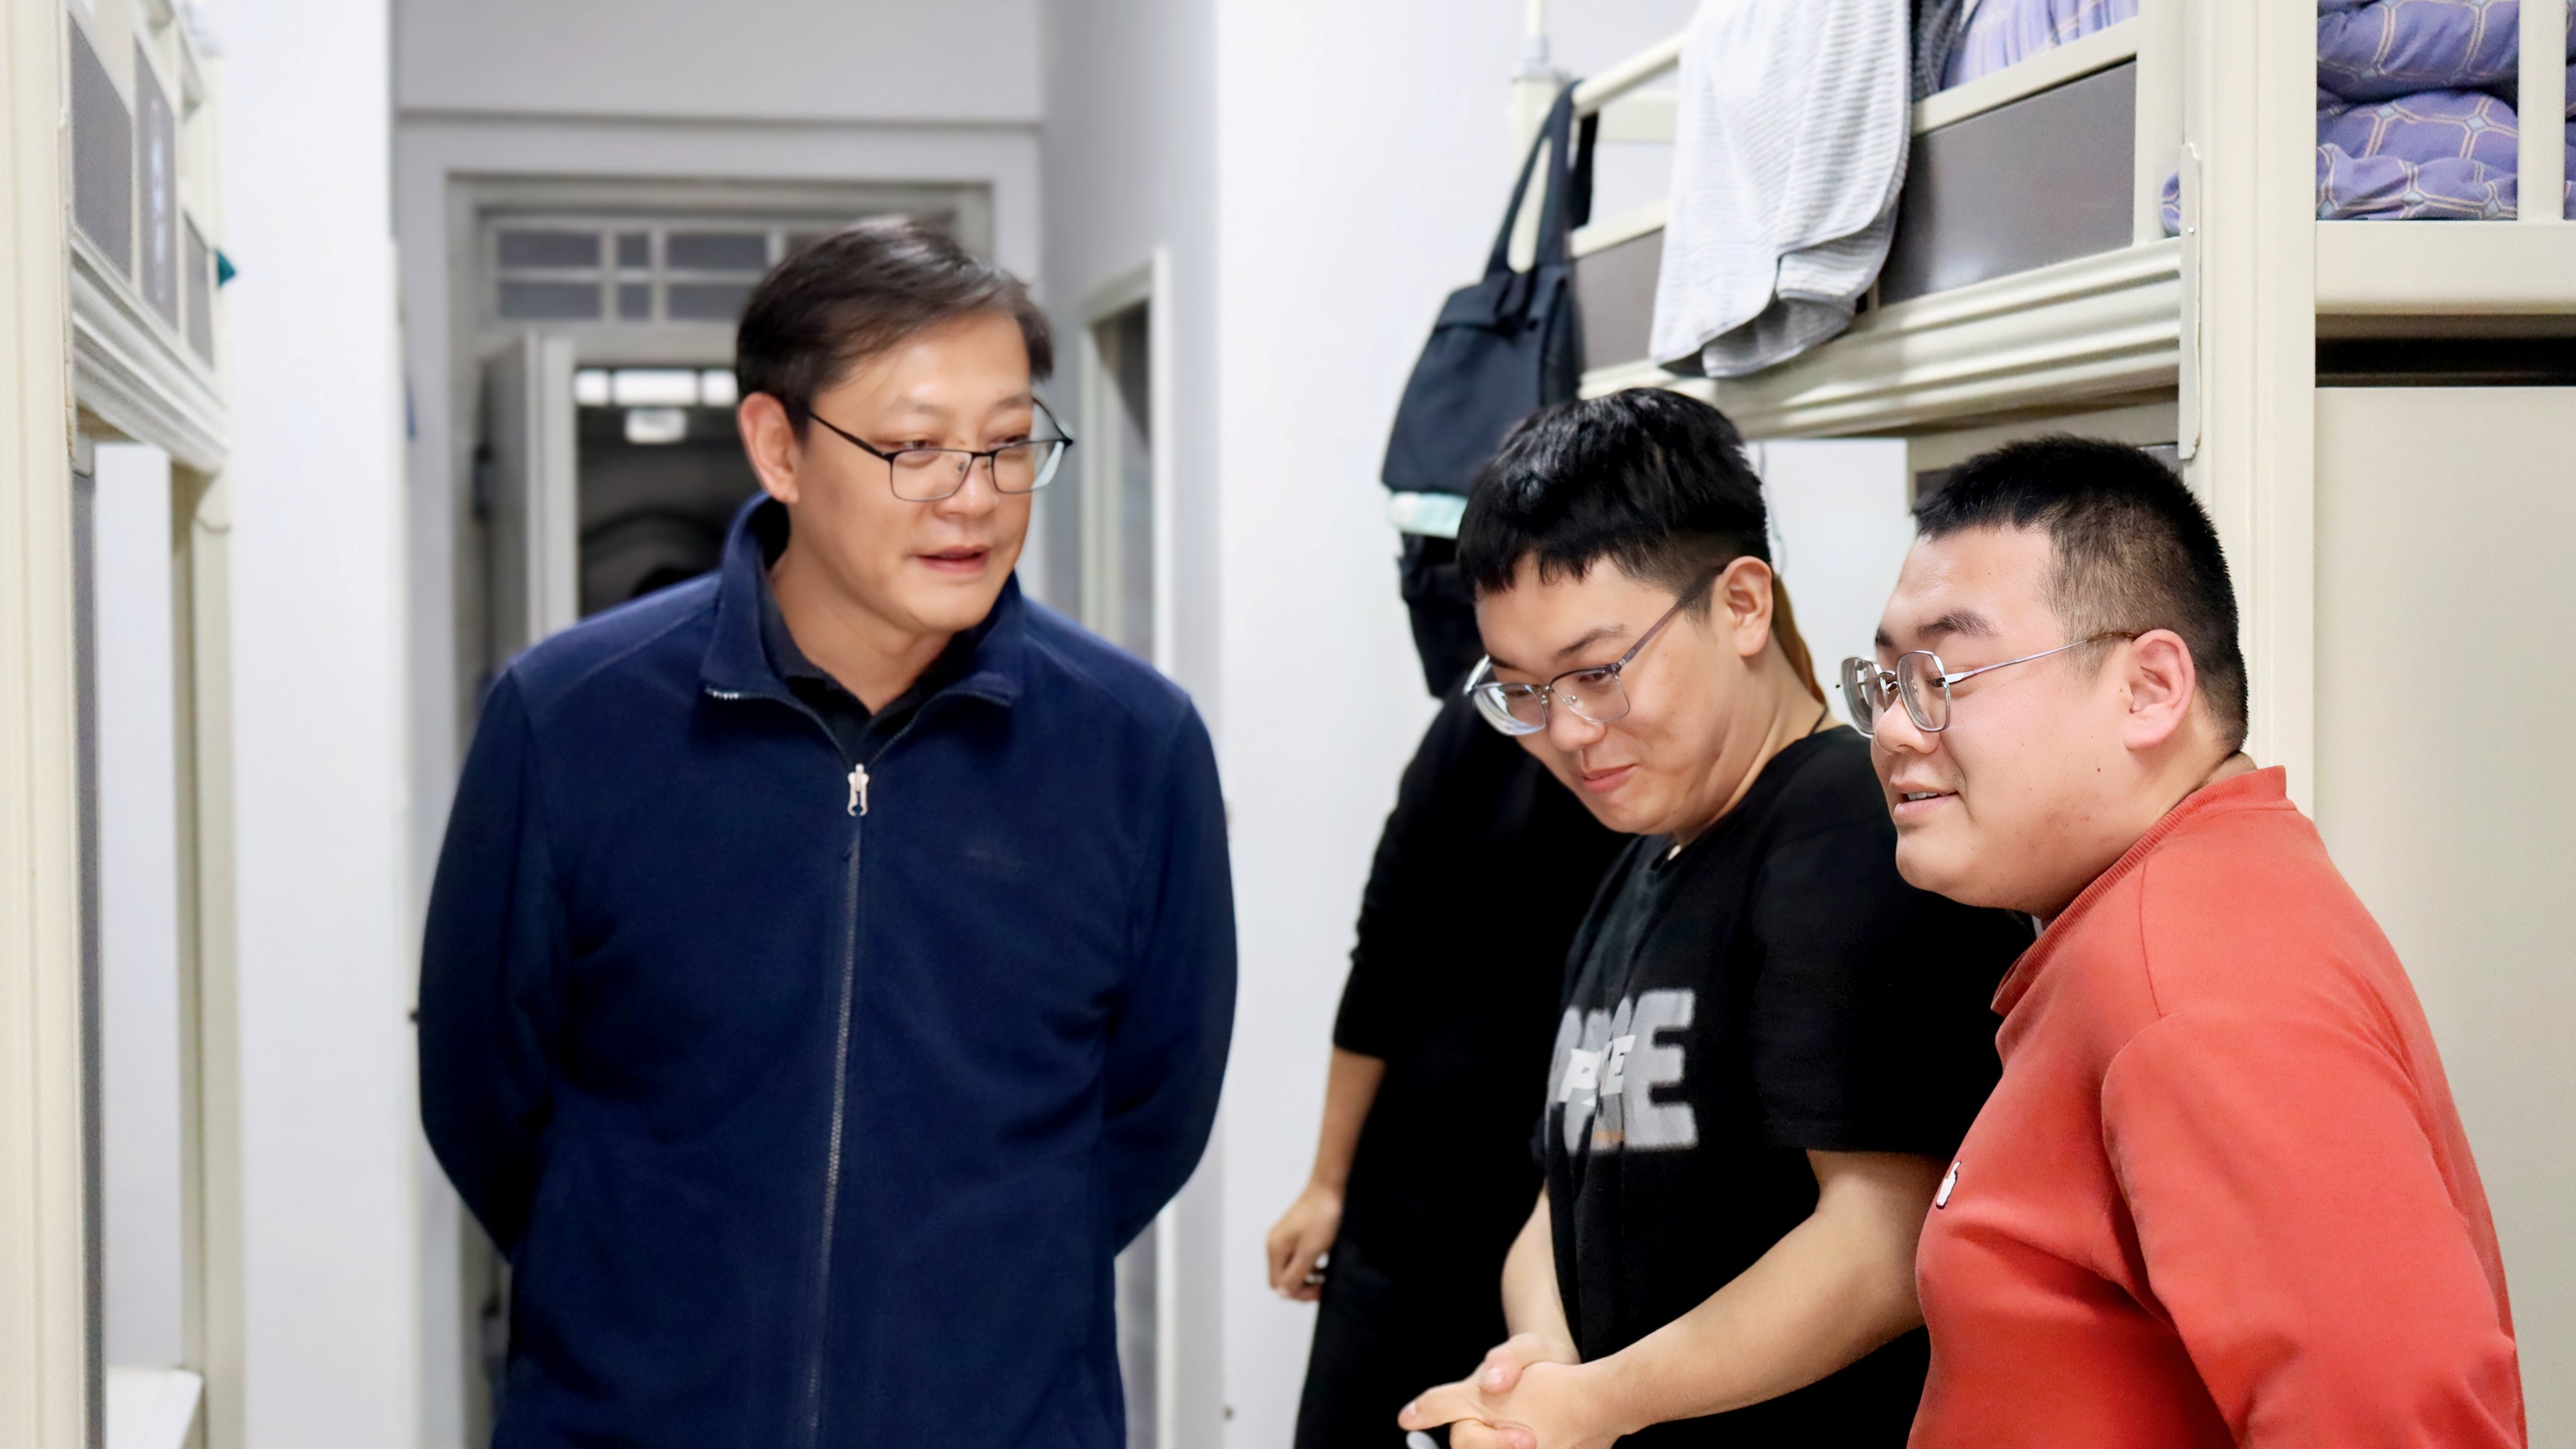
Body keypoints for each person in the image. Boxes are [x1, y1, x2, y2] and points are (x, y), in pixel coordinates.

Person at [417, 220, 1236, 1449]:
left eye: (1010, 442)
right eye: (913, 448)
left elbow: (1153, 1112)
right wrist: (645, 1303)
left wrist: (959, 1313)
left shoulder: (1136, 747)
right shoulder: (569, 719)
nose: (974, 496)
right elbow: (483, 1096)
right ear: (777, 447)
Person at [1849, 437, 2523, 1448]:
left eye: (1947, 673)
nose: (1897, 728)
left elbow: (2397, 1416)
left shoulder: (2192, 978)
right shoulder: (2172, 912)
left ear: (2151, 688)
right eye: (1888, 679)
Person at [1398, 390, 2031, 1449]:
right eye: (1523, 692)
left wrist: (1599, 1403)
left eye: (1597, 672)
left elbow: (1884, 1243)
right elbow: (1565, 1191)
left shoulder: (1847, 835)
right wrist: (1538, 1359)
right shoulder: (1644, 859)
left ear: (1741, 605)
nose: (1568, 731)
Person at [1267, 535, 1624, 1449]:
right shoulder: (1483, 725)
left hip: (1567, 1221)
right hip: (1411, 1193)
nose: (1565, 727)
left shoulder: (1690, 782)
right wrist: (1327, 1182)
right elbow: (1384, 950)